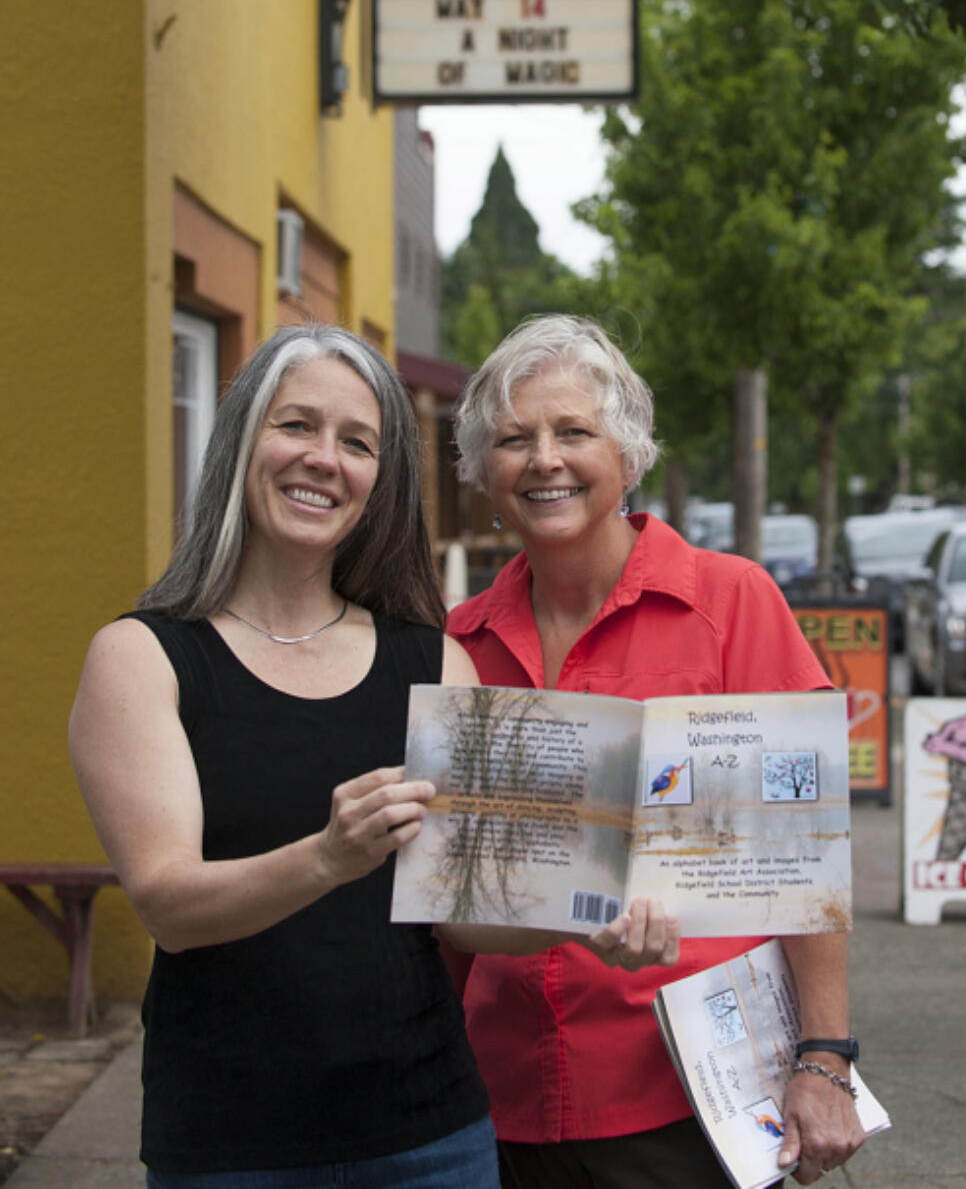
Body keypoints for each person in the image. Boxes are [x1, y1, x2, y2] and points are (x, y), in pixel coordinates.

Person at [69, 323, 671, 1188]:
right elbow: (170, 905)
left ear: (379, 482)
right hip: (232, 1147)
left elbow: (464, 910)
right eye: (297, 426)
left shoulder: (432, 659)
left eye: (357, 443)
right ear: (241, 441)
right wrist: (325, 857)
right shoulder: (143, 659)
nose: (325, 459)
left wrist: (591, 915)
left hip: (431, 1138)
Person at [446, 315, 866, 1189]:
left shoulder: (731, 602)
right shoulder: (458, 644)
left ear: (629, 455)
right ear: (485, 471)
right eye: (514, 439)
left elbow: (803, 860)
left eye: (574, 432)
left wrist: (825, 1060)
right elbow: (447, 897)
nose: (544, 459)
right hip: (496, 1097)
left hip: (686, 1096)